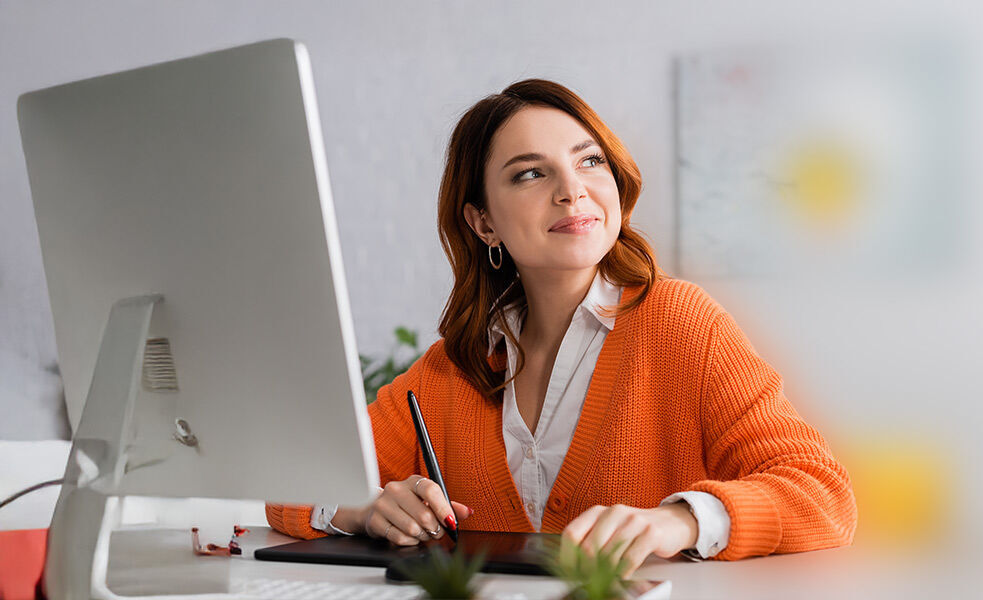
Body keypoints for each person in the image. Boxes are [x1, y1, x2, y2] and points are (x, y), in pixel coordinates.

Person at [266, 79, 857, 574]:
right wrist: (363, 508)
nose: (572, 190)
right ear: (483, 222)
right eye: (530, 174)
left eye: (589, 161)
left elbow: (820, 493)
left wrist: (674, 521)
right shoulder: (451, 368)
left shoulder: (682, 324)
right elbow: (286, 480)